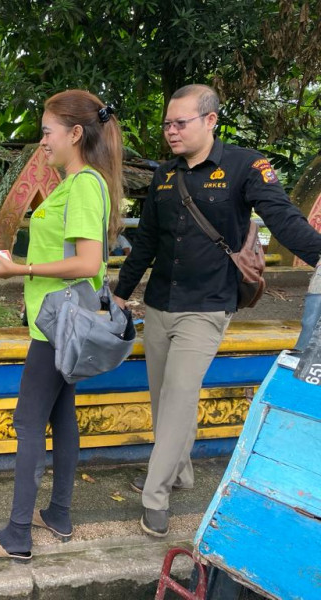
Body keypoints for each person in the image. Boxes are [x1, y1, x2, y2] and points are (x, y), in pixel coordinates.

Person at [112, 84, 321, 537]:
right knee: (162, 399)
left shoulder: (246, 166)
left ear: (210, 121)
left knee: (181, 395)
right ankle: (180, 472)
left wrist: (320, 252)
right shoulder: (165, 175)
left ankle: (155, 496)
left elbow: (283, 218)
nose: (171, 131)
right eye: (167, 123)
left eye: (180, 122)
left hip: (207, 307)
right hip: (160, 303)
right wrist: (118, 294)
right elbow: (146, 242)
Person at [0, 90, 125, 560]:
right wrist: (21, 272)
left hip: (57, 328)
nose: (42, 144)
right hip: (57, 320)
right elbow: (70, 258)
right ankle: (58, 514)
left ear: (75, 133)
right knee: (61, 415)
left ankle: (16, 534)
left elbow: (88, 263)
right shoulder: (78, 184)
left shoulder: (83, 185)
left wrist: (21, 270)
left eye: (47, 133)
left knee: (28, 421)